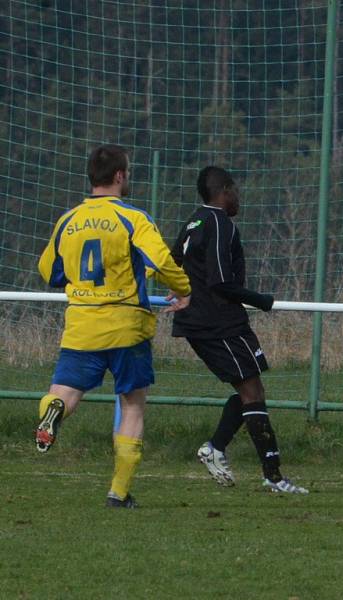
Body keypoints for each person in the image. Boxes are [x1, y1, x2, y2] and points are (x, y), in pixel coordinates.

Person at [36, 144, 191, 508]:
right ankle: (118, 492)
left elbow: (48, 270)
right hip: (126, 325)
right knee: (132, 404)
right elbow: (161, 259)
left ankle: (52, 409)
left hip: (82, 324)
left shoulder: (68, 220)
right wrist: (182, 289)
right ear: (120, 175)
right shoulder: (133, 218)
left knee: (65, 392)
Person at [170, 166, 307, 494]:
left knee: (249, 392)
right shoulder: (220, 223)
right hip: (219, 323)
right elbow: (220, 282)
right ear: (225, 191)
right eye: (236, 191)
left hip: (201, 322)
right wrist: (261, 300)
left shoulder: (194, 221)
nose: (239, 198)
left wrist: (182, 292)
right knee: (253, 393)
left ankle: (217, 448)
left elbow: (173, 262)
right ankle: (272, 477)